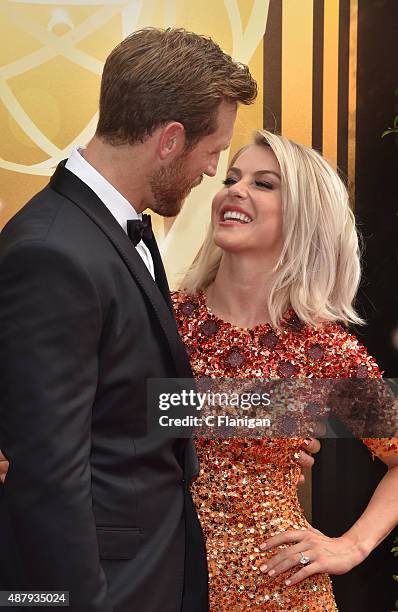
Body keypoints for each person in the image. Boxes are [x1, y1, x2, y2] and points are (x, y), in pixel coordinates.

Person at [0, 27, 260, 612]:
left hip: (157, 568)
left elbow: (134, 403)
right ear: (170, 140)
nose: (213, 172)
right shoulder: (54, 251)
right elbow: (49, 476)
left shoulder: (105, 233)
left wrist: (285, 416)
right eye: (214, 151)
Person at [172, 129, 398, 611]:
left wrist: (350, 545)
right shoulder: (159, 319)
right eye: (232, 176)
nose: (234, 189)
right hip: (157, 581)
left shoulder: (325, 351)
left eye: (264, 183)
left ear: (304, 218)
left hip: (281, 592)